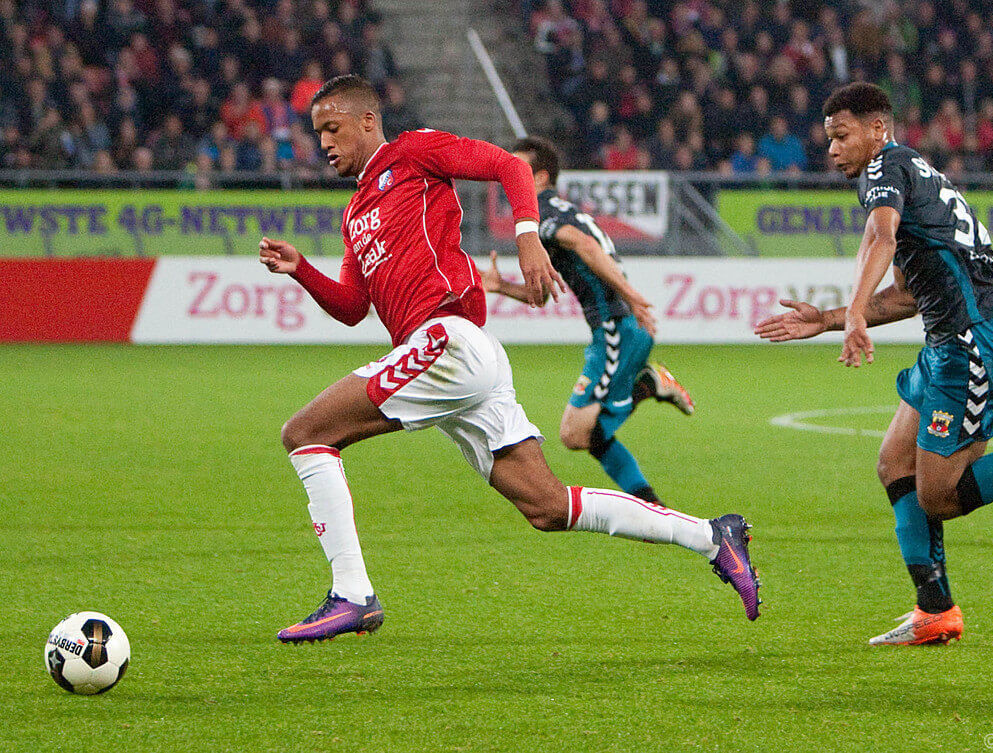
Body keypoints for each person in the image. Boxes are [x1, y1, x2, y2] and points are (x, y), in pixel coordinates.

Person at [258, 75, 761, 642]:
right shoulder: (354, 216)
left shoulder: (414, 152)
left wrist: (527, 237)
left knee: (305, 434)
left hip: (447, 342)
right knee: (547, 507)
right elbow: (352, 308)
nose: (324, 143)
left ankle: (351, 593)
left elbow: (511, 166)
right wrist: (301, 269)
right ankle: (712, 535)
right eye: (317, 133)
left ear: (368, 121)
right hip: (455, 360)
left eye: (333, 128)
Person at [753, 83, 993, 646]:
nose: (832, 149)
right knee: (894, 465)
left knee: (938, 493)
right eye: (828, 139)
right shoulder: (914, 175)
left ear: (875, 129)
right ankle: (934, 610)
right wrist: (831, 318)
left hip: (973, 341)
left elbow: (882, 235)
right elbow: (909, 295)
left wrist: (858, 311)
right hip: (947, 341)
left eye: (841, 136)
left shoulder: (886, 169)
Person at [479, 135, 694, 505]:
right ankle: (651, 507)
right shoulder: (550, 212)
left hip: (617, 329)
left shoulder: (544, 213)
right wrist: (500, 287)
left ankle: (650, 382)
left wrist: (630, 296)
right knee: (589, 437)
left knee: (574, 434)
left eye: (517, 168)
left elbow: (586, 246)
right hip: (614, 330)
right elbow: (541, 295)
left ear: (542, 177)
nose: (507, 175)